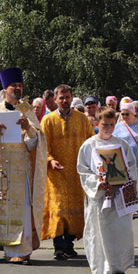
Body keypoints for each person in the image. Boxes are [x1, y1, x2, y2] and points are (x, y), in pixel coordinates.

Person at [0, 67, 48, 264]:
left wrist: (28, 128)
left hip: (21, 169)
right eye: (14, 85)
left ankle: (21, 251)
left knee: (21, 209)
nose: (17, 88)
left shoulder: (27, 110)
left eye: (20, 85)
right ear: (6, 88)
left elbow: (36, 141)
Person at [76, 107, 136, 274]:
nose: (108, 128)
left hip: (118, 196)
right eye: (104, 125)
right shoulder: (89, 145)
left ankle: (119, 269)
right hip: (99, 197)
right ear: (97, 124)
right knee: (98, 232)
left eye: (111, 124)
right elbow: (83, 170)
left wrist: (125, 179)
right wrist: (97, 182)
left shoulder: (122, 145)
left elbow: (131, 166)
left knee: (119, 232)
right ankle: (101, 269)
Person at [40, 84, 93, 261]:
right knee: (58, 209)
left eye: (67, 97)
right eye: (61, 98)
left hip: (77, 172)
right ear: (54, 99)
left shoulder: (82, 119)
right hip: (56, 173)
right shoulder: (47, 121)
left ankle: (69, 245)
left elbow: (91, 143)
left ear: (71, 98)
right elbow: (42, 146)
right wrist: (50, 160)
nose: (64, 101)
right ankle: (59, 247)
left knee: (76, 209)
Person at [114, 101, 138, 206]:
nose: (124, 116)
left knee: (137, 180)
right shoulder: (118, 126)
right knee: (126, 181)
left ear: (133, 113)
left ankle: (136, 202)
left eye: (126, 114)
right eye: (122, 114)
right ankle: (129, 204)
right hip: (123, 158)